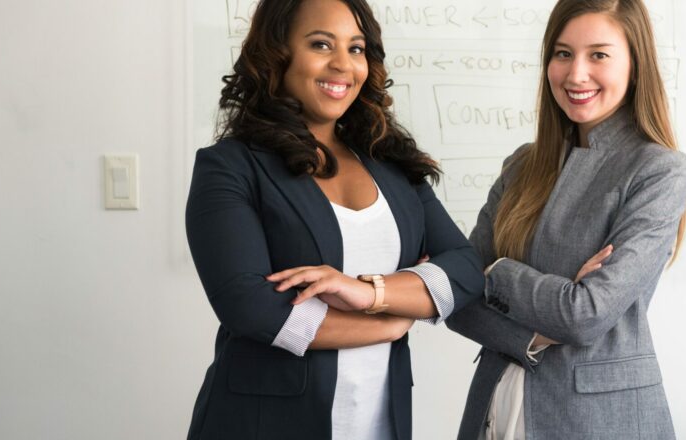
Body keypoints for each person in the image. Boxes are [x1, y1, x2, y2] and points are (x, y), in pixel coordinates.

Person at [184, 0, 483, 439]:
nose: (343, 64)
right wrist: (391, 321)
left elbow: (464, 268)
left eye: (357, 48)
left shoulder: (394, 167)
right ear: (277, 52)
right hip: (263, 425)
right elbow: (249, 307)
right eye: (321, 44)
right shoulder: (230, 167)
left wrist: (368, 294)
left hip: (380, 423)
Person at [445, 0, 686, 438]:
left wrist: (497, 272)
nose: (576, 74)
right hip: (495, 404)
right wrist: (534, 337)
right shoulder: (521, 165)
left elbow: (585, 315)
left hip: (597, 420)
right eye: (562, 54)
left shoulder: (659, 170)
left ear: (635, 65)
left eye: (599, 54)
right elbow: (457, 300)